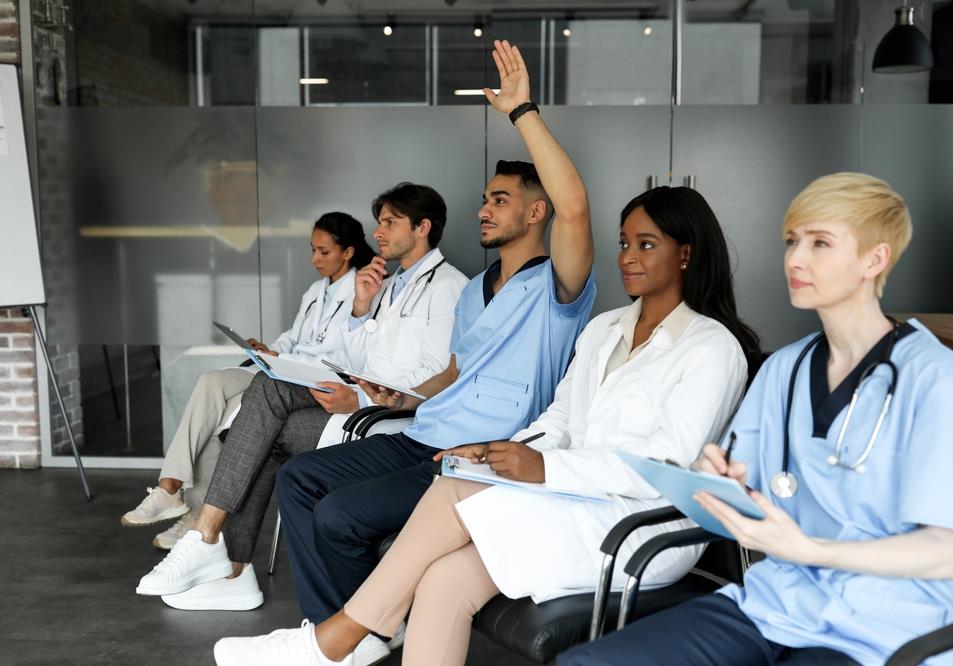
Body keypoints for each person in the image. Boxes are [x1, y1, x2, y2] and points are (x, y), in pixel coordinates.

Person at [212, 182, 763, 665]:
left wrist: (543, 466)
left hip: (636, 527)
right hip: (572, 499)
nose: (627, 257)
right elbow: (561, 418)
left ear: (686, 254)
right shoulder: (606, 330)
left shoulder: (712, 348)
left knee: (454, 487)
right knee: (442, 578)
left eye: (647, 244)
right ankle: (341, 640)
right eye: (624, 242)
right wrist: (501, 448)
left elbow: (662, 469)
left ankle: (334, 641)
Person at [558, 173, 953, 666]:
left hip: (890, 628)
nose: (796, 259)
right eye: (792, 241)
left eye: (820, 244)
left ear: (875, 259)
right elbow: (744, 495)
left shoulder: (939, 382)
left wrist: (811, 549)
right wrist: (714, 482)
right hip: (777, 605)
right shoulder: (785, 370)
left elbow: (948, 553)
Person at [134, 183, 468, 611]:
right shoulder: (386, 284)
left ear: (423, 227)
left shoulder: (449, 288)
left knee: (265, 402)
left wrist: (361, 402)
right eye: (379, 222)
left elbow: (434, 379)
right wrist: (362, 308)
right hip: (355, 395)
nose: (379, 233)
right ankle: (223, 559)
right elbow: (357, 355)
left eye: (389, 223)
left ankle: (216, 548)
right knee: (267, 400)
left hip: (390, 422)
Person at [121, 212, 375, 551]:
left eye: (324, 251)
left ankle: (193, 513)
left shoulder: (364, 292)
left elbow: (344, 353)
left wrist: (284, 359)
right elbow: (293, 336)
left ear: (348, 252)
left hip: (309, 379)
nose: (315, 259)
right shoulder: (316, 290)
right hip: (282, 368)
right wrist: (272, 350)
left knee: (223, 419)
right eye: (312, 250)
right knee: (211, 383)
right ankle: (170, 488)